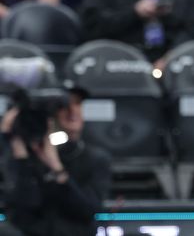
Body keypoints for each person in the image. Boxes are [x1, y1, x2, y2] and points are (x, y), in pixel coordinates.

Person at [1, 82, 112, 236]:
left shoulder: (95, 158)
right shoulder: (22, 156)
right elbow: (20, 212)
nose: (72, 111)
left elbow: (87, 211)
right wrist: (20, 154)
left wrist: (56, 168)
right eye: (64, 106)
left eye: (78, 104)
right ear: (49, 117)